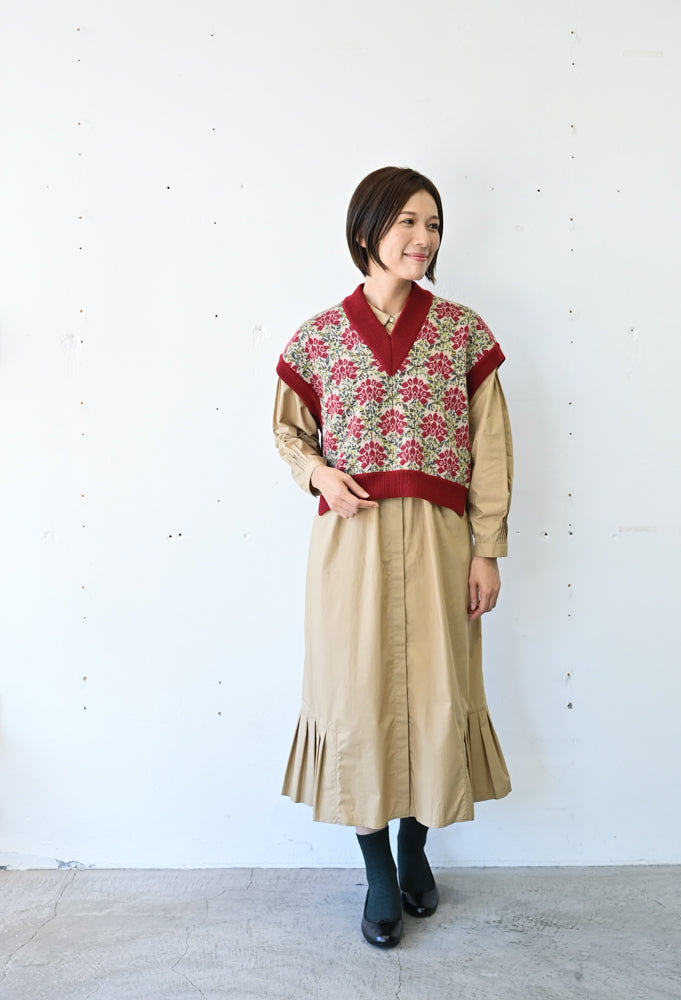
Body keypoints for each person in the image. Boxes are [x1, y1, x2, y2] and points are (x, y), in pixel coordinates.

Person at [272, 166, 513, 948]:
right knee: (357, 700)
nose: (423, 237)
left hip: (441, 543)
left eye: (433, 224)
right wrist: (317, 474)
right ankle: (377, 870)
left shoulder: (461, 332)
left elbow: (490, 448)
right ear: (366, 231)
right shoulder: (318, 337)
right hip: (351, 545)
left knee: (437, 696)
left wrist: (486, 548)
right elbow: (287, 431)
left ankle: (415, 850)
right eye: (407, 221)